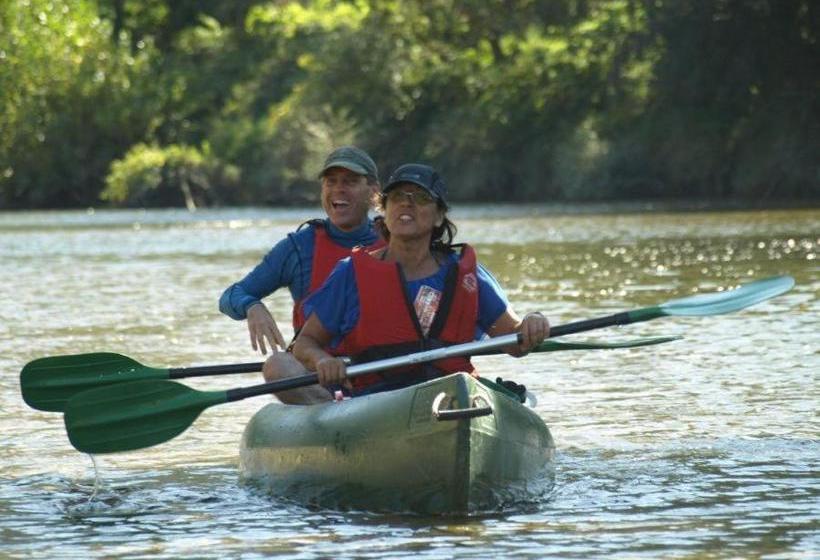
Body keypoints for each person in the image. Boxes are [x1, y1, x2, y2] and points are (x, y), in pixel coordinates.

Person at [286, 163, 550, 403]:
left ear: (438, 217)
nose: (407, 205)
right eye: (398, 197)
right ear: (384, 210)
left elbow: (515, 342)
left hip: (450, 394)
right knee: (278, 365)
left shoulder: (466, 275)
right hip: (375, 401)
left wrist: (533, 322)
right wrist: (322, 360)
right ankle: (334, 424)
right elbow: (305, 343)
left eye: (421, 198)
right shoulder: (350, 273)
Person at [218, 146, 384, 386]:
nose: (339, 189)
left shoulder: (395, 239)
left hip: (385, 367)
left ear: (374, 192)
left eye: (350, 181)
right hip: (318, 375)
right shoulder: (299, 247)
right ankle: (327, 407)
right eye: (331, 181)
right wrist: (252, 306)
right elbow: (231, 295)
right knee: (277, 366)